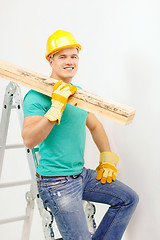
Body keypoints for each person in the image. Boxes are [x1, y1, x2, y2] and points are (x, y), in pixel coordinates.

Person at [22, 30, 139, 240]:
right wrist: (54, 109)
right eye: (62, 56)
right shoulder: (36, 96)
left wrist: (107, 158)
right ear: (50, 60)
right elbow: (29, 139)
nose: (69, 61)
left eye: (73, 56)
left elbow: (95, 126)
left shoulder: (78, 93)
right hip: (56, 182)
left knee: (128, 199)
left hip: (80, 175)